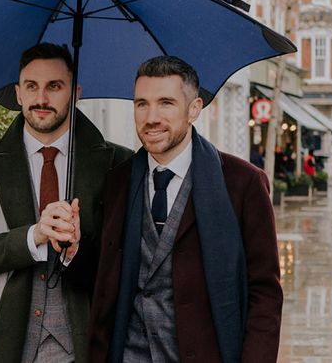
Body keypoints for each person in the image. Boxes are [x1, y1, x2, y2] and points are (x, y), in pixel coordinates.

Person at [88, 56, 283, 363]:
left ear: (194, 109)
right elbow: (100, 278)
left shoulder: (244, 184)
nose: (151, 117)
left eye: (166, 103)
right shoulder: (117, 182)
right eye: (141, 103)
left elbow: (264, 293)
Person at [0, 42, 133, 363]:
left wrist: (77, 250)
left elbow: (126, 266)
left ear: (75, 92)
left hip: (87, 339)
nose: (41, 99)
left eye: (54, 86)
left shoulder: (119, 165)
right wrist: (33, 236)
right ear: (18, 93)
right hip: (5, 341)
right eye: (31, 86)